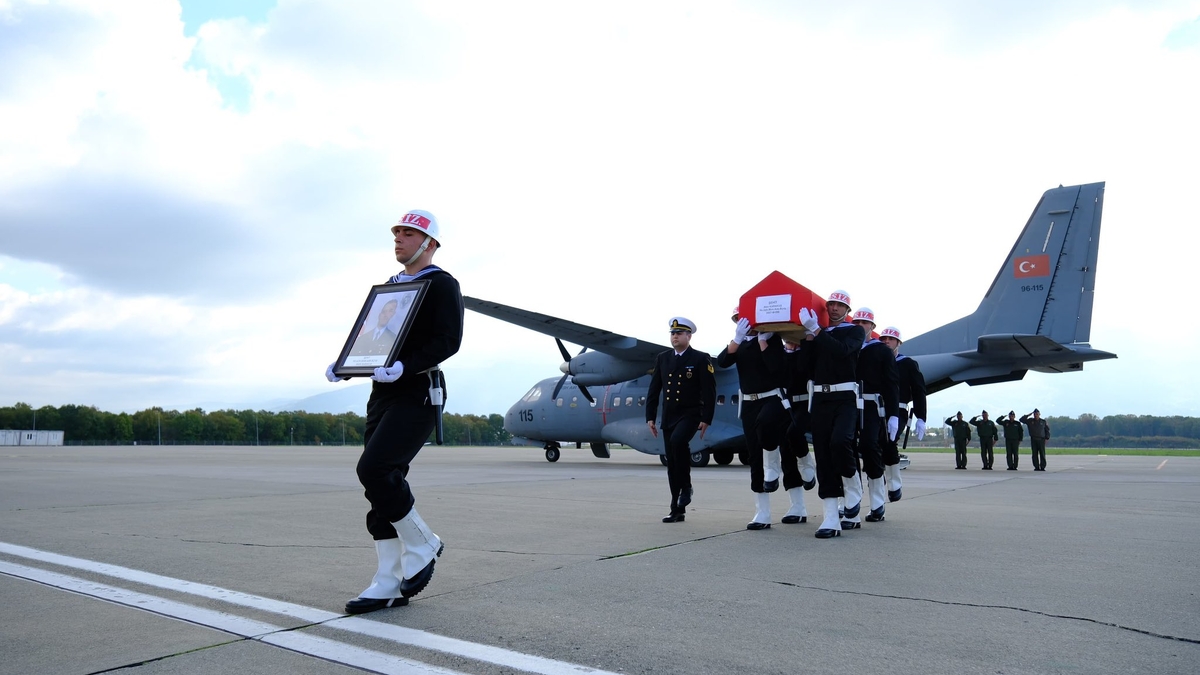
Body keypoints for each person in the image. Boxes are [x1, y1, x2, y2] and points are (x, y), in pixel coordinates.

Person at [325, 209, 464, 614]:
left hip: (418, 390)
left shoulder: (441, 284)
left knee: (374, 469)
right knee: (381, 487)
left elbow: (448, 340)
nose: (399, 239)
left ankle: (423, 542)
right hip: (382, 392)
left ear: (430, 243)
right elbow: (373, 338)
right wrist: (346, 364)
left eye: (409, 233)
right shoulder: (390, 288)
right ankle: (387, 582)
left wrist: (407, 365)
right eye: (397, 233)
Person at [795, 290, 866, 539]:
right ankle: (830, 518)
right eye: (831, 304)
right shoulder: (817, 333)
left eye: (840, 305)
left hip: (845, 397)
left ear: (847, 310)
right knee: (823, 456)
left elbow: (841, 351)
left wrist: (816, 331)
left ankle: (853, 485)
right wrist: (806, 338)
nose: (834, 308)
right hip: (820, 399)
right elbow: (803, 368)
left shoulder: (854, 331)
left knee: (841, 441)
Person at [717, 310, 790, 530]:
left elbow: (776, 368)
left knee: (766, 425)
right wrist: (737, 339)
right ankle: (762, 512)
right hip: (749, 402)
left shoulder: (771, 339)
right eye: (738, 320)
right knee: (754, 455)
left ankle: (773, 462)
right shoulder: (739, 344)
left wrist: (763, 341)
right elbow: (723, 361)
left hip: (772, 397)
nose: (742, 323)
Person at [645, 317, 717, 523]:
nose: (674, 336)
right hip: (669, 415)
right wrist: (650, 416)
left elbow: (709, 391)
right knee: (672, 461)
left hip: (690, 414)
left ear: (689, 336)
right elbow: (654, 389)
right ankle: (676, 509)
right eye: (672, 333)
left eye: (679, 333)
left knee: (678, 442)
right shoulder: (663, 358)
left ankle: (686, 487)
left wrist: (707, 418)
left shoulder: (700, 358)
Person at [849, 308, 899, 524]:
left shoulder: (881, 351)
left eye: (864, 323)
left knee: (870, 447)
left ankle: (878, 503)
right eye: (857, 322)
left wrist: (893, 415)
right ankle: (850, 500)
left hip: (871, 405)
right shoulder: (848, 346)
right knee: (847, 450)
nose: (860, 326)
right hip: (848, 403)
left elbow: (891, 384)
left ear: (872, 327)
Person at [878, 327, 926, 501]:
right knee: (874, 446)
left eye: (891, 339)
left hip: (898, 410)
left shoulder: (907, 364)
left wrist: (921, 417)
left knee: (889, 442)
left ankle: (894, 483)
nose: (886, 341)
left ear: (899, 343)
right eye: (883, 339)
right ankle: (877, 485)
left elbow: (919, 390)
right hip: (877, 408)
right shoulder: (875, 361)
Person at [781, 336, 818, 525]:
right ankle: (797, 506)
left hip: (806, 402)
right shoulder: (778, 353)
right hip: (785, 404)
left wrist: (803, 345)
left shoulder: (808, 351)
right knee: (786, 454)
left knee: (794, 433)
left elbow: (804, 368)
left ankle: (806, 462)